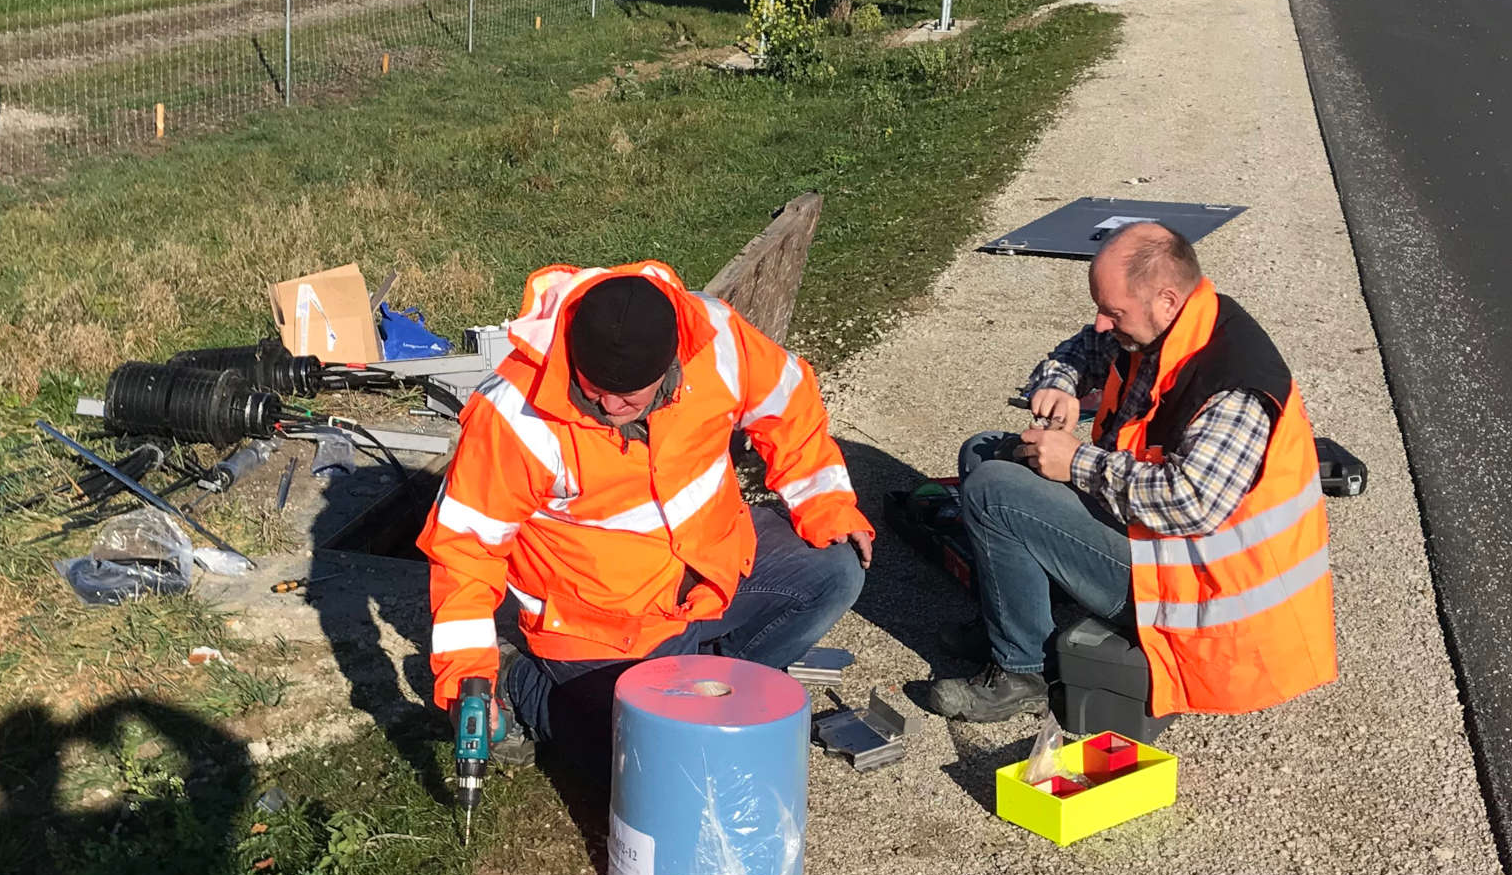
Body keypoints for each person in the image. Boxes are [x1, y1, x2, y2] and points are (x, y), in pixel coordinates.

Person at [419, 262, 872, 774]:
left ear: (670, 363)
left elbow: (788, 401)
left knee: (836, 571)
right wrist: (466, 677)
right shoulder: (512, 416)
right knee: (652, 767)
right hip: (602, 625)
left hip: (711, 571)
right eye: (592, 390)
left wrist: (825, 503)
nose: (609, 406)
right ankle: (522, 684)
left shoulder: (715, 337)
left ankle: (706, 694)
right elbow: (465, 551)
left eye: (628, 396)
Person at [922, 221, 1335, 723]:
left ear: (1165, 299)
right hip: (1157, 544)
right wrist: (1060, 383)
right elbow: (1084, 347)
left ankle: (1021, 671)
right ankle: (1017, 619)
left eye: (1112, 312)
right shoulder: (1168, 326)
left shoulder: (1234, 387)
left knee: (993, 492)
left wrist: (1076, 463)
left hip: (1203, 596)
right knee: (982, 454)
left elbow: (1189, 503)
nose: (1100, 323)